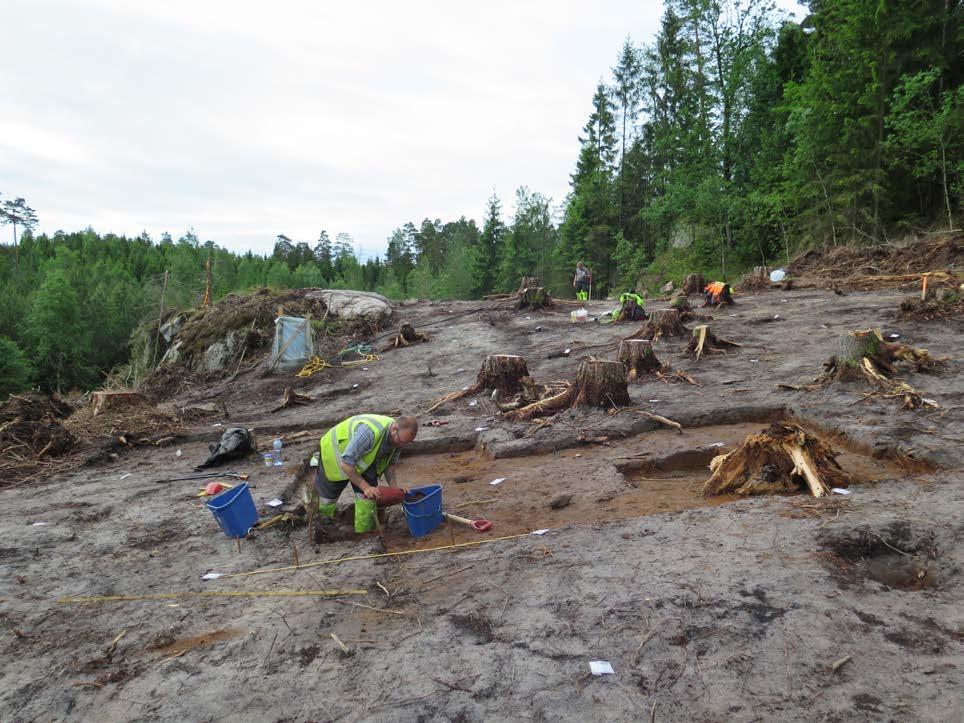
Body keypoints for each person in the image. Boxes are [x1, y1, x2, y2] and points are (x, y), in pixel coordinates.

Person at [315, 414, 419, 532]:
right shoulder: (369, 433)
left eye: (406, 443)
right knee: (327, 499)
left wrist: (395, 489)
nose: (402, 445)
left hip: (362, 458)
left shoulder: (399, 439)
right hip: (335, 454)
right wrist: (365, 487)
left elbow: (390, 466)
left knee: (368, 499)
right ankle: (323, 529)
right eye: (401, 441)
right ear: (394, 429)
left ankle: (365, 535)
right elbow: (345, 464)